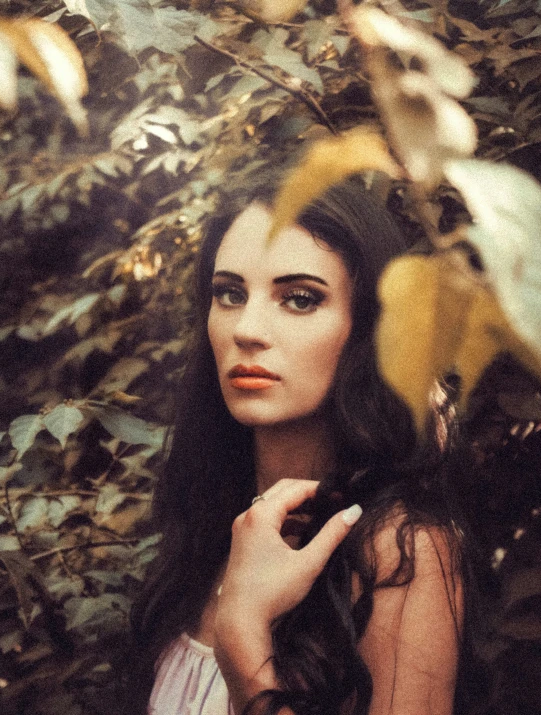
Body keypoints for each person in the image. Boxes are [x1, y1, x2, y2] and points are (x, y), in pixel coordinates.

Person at [129, 175, 478, 715]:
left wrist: (247, 652)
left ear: (367, 328)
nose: (247, 327)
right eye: (230, 293)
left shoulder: (402, 548)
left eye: (298, 299)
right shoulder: (211, 521)